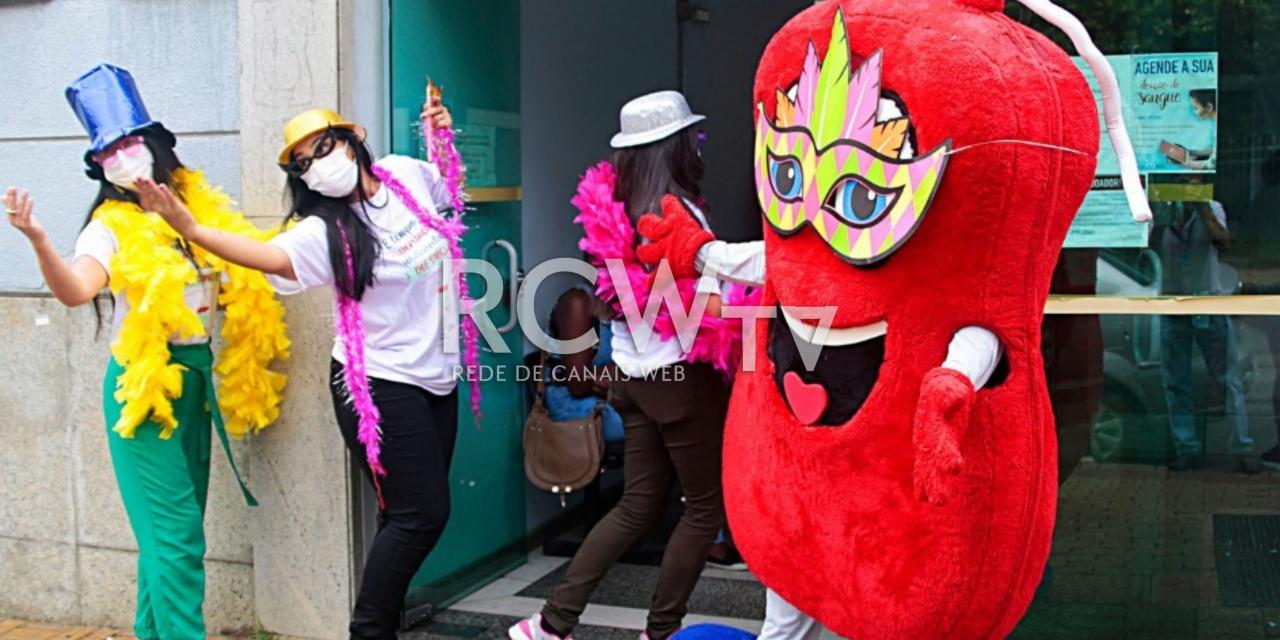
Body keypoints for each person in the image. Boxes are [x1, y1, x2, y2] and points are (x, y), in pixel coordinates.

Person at [138, 97, 466, 638]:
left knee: (406, 515)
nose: (319, 164)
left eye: (324, 147)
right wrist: (192, 229)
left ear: (352, 139)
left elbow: (450, 191)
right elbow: (263, 255)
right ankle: (369, 630)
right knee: (421, 515)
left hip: (437, 374)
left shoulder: (404, 175)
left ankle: (379, 621)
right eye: (304, 162)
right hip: (380, 385)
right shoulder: (323, 231)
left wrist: (444, 139)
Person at [4, 64, 289, 640]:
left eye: (130, 143)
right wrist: (38, 240)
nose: (122, 158)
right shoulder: (107, 228)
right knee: (178, 538)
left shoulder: (198, 213)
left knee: (167, 538)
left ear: (155, 144)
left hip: (197, 385)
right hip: (144, 394)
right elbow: (77, 289)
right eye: (109, 152)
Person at [510, 91, 740, 640]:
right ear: (677, 147)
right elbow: (700, 307)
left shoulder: (611, 210)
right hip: (681, 379)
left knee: (637, 504)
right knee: (703, 508)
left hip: (633, 380)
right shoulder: (677, 213)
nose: (699, 147)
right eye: (694, 139)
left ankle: (550, 623)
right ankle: (660, 632)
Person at [1152, 193, 1259, 473]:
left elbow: (1223, 241)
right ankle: (1187, 449)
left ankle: (1241, 447)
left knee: (1228, 379)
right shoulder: (1162, 209)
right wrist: (1163, 214)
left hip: (1209, 302)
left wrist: (1200, 207)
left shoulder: (1212, 208)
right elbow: (1150, 246)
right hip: (1174, 305)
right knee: (1176, 381)